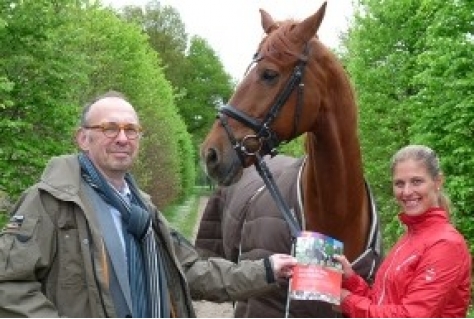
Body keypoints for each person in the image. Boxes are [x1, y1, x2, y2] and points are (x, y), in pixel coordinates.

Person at [0, 90, 297, 317]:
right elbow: (9, 285)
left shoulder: (143, 211)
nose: (122, 138)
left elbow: (192, 272)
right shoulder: (49, 202)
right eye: (109, 128)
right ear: (83, 138)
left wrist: (267, 270)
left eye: (131, 130)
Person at [333, 144, 471, 317]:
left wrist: (348, 302)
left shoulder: (446, 244)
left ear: (438, 182)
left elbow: (411, 315)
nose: (406, 192)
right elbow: (381, 302)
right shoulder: (410, 237)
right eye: (399, 183)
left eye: (416, 181)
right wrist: (351, 280)